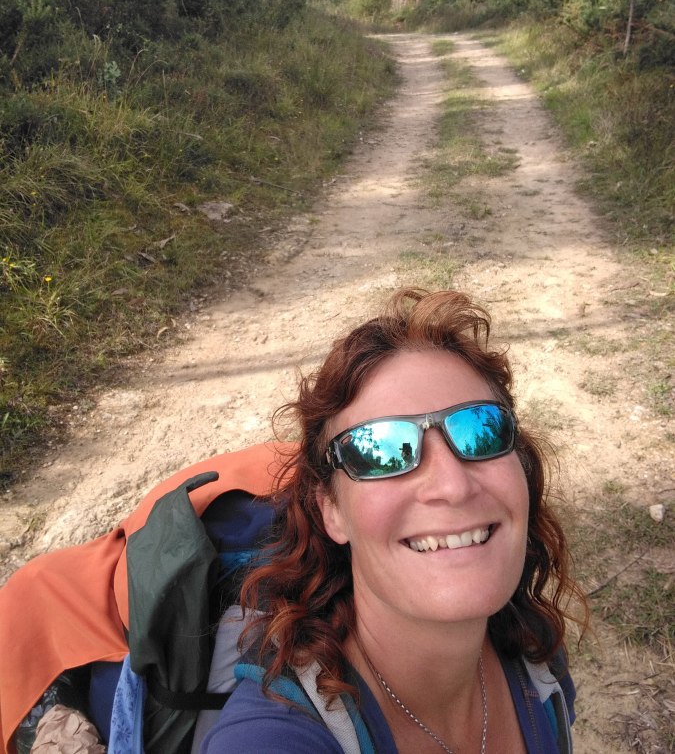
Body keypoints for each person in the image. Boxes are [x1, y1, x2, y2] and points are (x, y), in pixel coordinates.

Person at [200, 288, 588, 754]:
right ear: (331, 510)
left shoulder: (537, 658)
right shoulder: (270, 737)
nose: (452, 485)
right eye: (380, 450)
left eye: (480, 430)